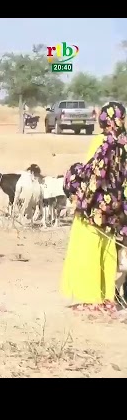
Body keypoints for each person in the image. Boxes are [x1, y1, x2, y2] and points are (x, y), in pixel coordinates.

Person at [61, 101, 127, 314]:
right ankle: (107, 297)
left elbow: (94, 173)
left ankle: (91, 299)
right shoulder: (124, 142)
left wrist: (78, 191)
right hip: (115, 208)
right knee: (108, 251)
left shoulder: (102, 141)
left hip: (95, 207)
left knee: (87, 249)